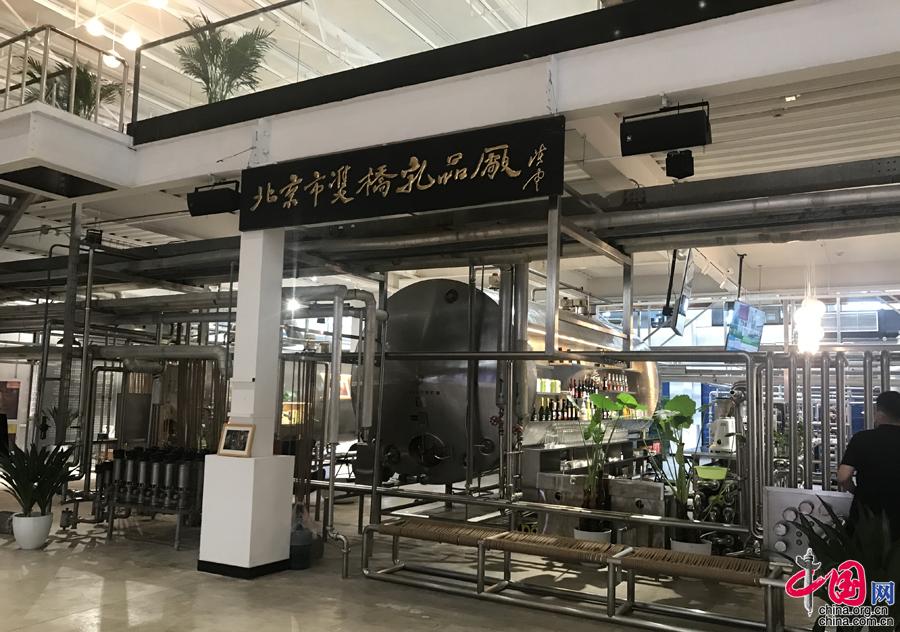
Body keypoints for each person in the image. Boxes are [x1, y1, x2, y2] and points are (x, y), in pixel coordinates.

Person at [837, 391, 900, 538]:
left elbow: (843, 477)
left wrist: (856, 491)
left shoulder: (862, 438)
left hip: (866, 516)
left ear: (879, 414)